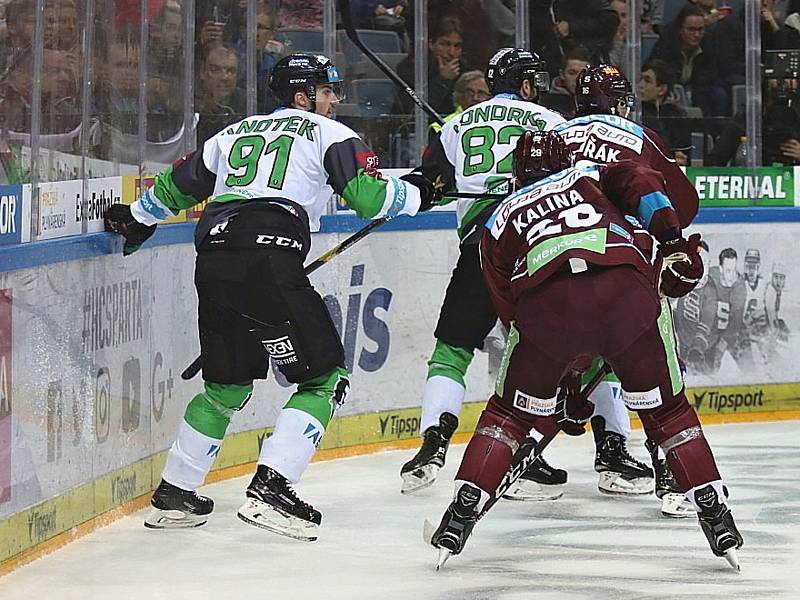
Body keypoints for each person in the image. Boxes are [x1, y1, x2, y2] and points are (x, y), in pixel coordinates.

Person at [103, 53, 439, 541]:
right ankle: (272, 488)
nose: (335, 100)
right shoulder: (329, 135)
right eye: (328, 91)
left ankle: (176, 493)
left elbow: (176, 188)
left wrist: (137, 217)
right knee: (325, 377)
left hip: (214, 255)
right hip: (268, 255)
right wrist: (418, 194)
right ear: (303, 96)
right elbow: (368, 197)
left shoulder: (233, 133)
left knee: (226, 385)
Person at [429, 129, 743, 569]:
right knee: (668, 413)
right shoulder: (591, 175)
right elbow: (642, 181)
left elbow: (511, 309)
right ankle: (713, 508)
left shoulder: (498, 219)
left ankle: (462, 509)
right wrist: (671, 239)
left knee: (508, 416)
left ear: (517, 174)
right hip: (627, 297)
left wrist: (564, 376)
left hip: (546, 313)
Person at [399, 48, 566, 500]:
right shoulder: (552, 123)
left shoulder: (457, 124)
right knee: (536, 353)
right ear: (527, 84)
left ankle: (432, 443)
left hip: (481, 244)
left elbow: (427, 185)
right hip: (537, 245)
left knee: (451, 350)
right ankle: (521, 453)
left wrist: (405, 193)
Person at [551, 64, 702, 499]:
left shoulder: (554, 135)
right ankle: (669, 469)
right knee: (654, 364)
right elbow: (683, 206)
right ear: (618, 101)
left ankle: (585, 449)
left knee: (550, 367)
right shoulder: (636, 136)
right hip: (625, 268)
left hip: (556, 264)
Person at [396, 16, 469, 115]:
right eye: (445, 44)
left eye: (457, 46)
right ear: (431, 44)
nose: (452, 52)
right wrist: (443, 80)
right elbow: (416, 111)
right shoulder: (411, 69)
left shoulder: (465, 70)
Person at [639, 60, 692, 165]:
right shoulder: (634, 112)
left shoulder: (677, 116)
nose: (640, 85)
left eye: (647, 81)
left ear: (662, 89)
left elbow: (682, 155)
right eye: (640, 79)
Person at [427, 70, 491, 142]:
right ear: (460, 95)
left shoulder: (499, 123)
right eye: (469, 93)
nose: (475, 98)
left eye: (481, 93)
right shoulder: (440, 127)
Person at [541, 46, 592, 118]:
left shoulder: (598, 102)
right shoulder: (545, 104)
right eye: (572, 73)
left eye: (584, 74)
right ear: (562, 74)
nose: (578, 78)